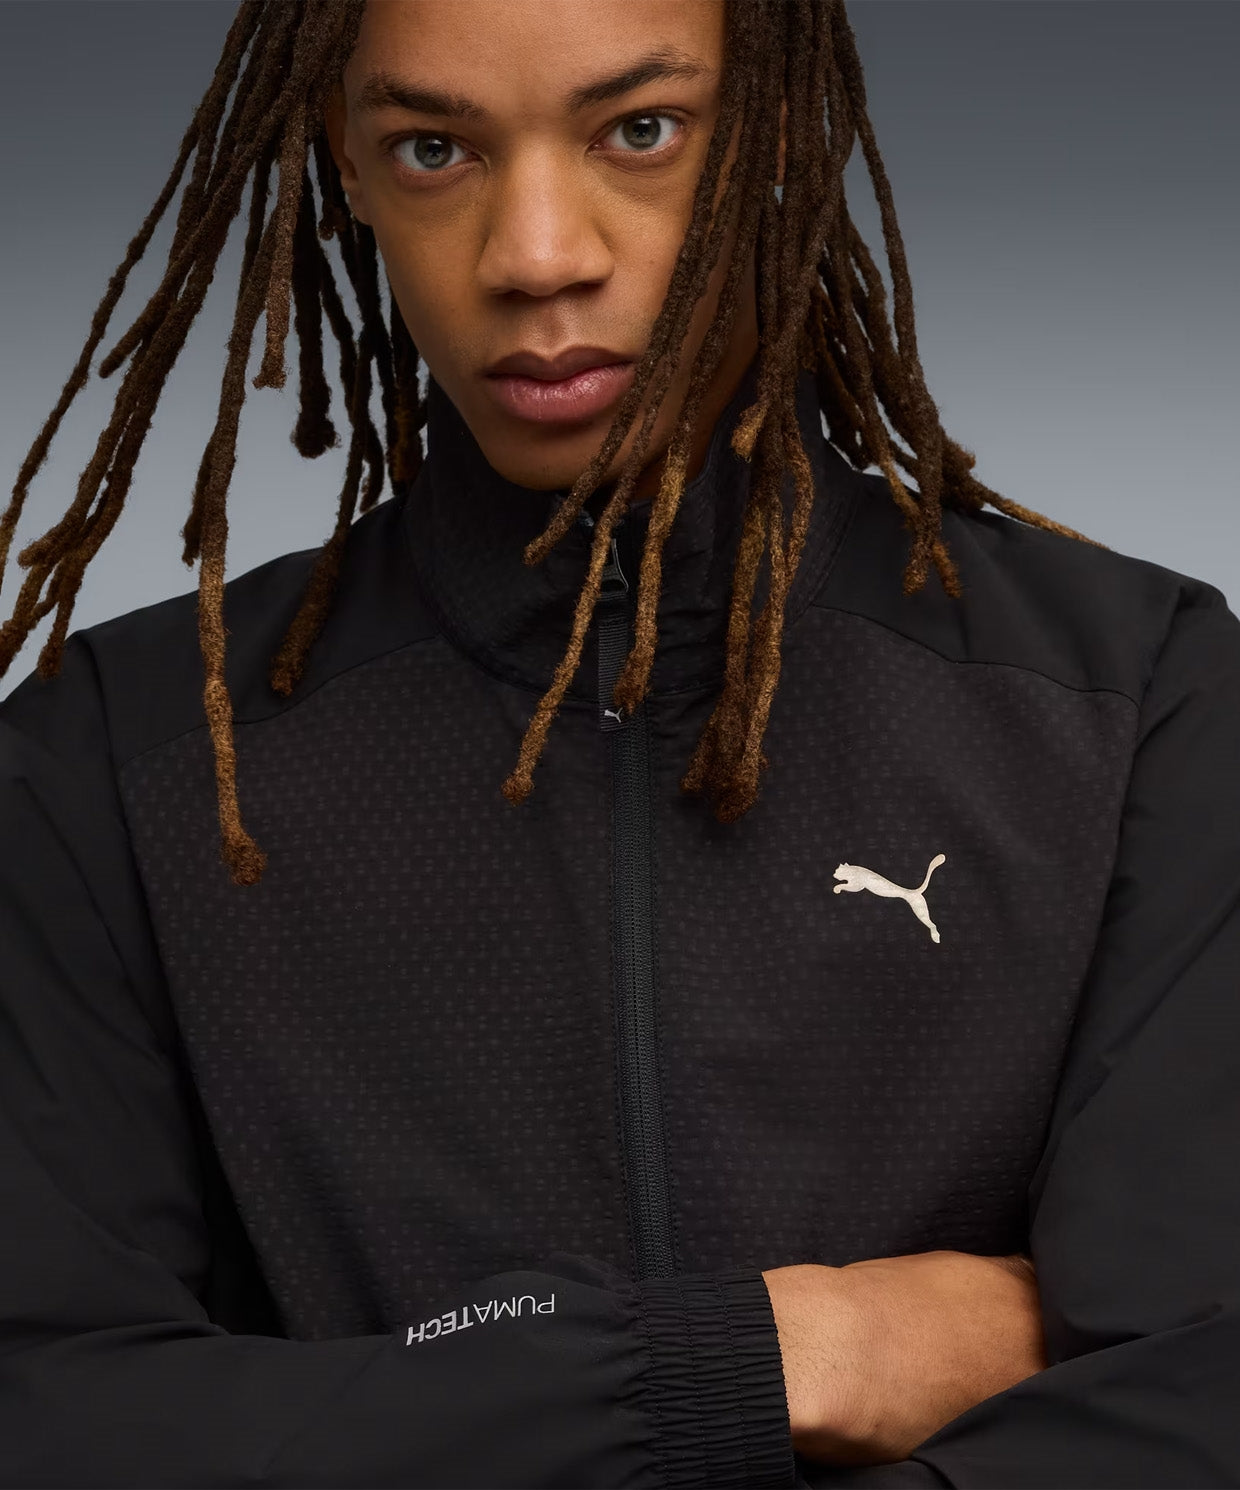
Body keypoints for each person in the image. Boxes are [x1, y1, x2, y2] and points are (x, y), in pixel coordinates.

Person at [0, 0, 1236, 1485]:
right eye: (436, 147)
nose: (536, 255)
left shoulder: (1141, 701)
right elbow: (51, 1414)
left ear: (777, 133)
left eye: (640, 131)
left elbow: (1198, 1404)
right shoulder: (112, 765)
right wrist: (765, 1361)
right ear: (345, 168)